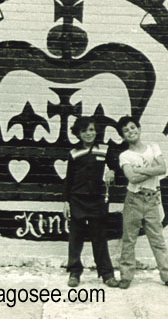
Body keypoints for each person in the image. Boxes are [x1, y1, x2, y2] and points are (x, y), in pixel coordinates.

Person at [116, 115, 168, 290]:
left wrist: (141, 170)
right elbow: (132, 178)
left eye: (132, 127)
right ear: (123, 136)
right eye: (126, 131)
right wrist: (153, 170)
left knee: (158, 240)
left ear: (138, 128)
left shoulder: (153, 148)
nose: (130, 131)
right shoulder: (124, 155)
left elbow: (163, 168)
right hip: (133, 200)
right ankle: (126, 276)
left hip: (152, 199)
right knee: (129, 240)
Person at [63, 116, 119, 288]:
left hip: (98, 200)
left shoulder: (105, 149)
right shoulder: (74, 153)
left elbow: (116, 167)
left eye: (92, 130)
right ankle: (74, 272)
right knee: (75, 238)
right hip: (77, 199)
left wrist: (113, 172)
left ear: (97, 132)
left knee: (99, 237)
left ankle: (107, 274)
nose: (89, 133)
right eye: (85, 130)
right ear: (78, 133)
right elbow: (68, 180)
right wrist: (66, 201)